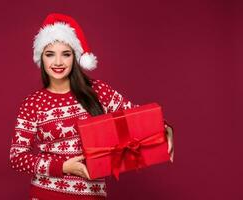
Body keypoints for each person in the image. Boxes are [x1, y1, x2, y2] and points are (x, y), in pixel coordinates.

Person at [9, 13, 174, 200]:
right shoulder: (33, 103)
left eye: (66, 54)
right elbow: (17, 156)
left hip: (91, 195)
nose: (58, 62)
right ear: (41, 58)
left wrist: (164, 127)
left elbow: (136, 117)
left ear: (75, 57)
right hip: (47, 194)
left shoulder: (98, 91)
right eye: (50, 54)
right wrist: (63, 167)